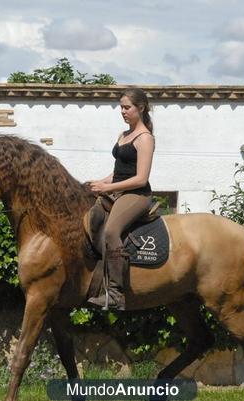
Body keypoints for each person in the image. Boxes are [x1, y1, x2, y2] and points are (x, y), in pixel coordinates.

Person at [87, 88, 155, 311]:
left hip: (137, 195)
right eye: (121, 107)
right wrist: (98, 182)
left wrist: (108, 187)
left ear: (141, 108)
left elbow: (140, 178)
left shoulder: (145, 139)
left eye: (127, 107)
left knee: (111, 230)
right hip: (119, 189)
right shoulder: (123, 135)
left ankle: (116, 293)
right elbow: (119, 172)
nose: (122, 112)